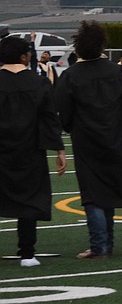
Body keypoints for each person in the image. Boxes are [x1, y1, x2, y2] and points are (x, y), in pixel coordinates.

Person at [55, 21, 122, 259]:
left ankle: (99, 245)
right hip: (112, 135)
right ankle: (106, 243)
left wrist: (71, 127)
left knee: (92, 192)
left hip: (85, 138)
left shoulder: (71, 75)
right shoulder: (115, 71)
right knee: (110, 190)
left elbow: (64, 110)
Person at [0, 34, 66, 267]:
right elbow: (49, 118)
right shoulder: (39, 83)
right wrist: (58, 149)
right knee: (28, 201)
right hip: (29, 150)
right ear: (24, 56)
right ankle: (27, 252)